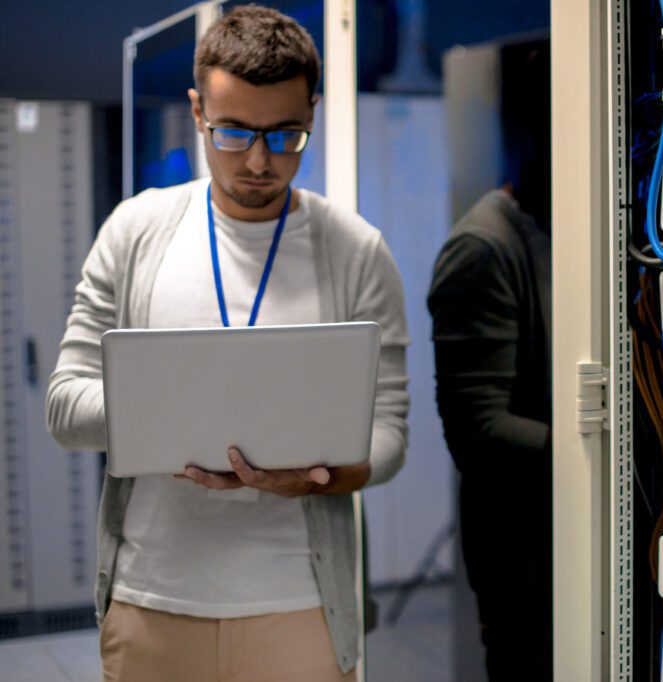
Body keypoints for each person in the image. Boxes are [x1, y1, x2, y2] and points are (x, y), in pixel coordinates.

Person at [45, 6, 409, 681]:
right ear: (196, 111)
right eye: (234, 132)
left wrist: (322, 477)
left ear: (314, 113)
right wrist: (178, 404)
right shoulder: (134, 234)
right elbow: (65, 408)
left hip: (299, 609)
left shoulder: (357, 252)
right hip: (154, 603)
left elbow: (388, 434)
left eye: (286, 135)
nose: (260, 161)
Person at [427, 39, 552, 681]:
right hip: (525, 565)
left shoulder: (578, 230)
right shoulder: (483, 248)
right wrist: (616, 446)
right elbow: (480, 430)